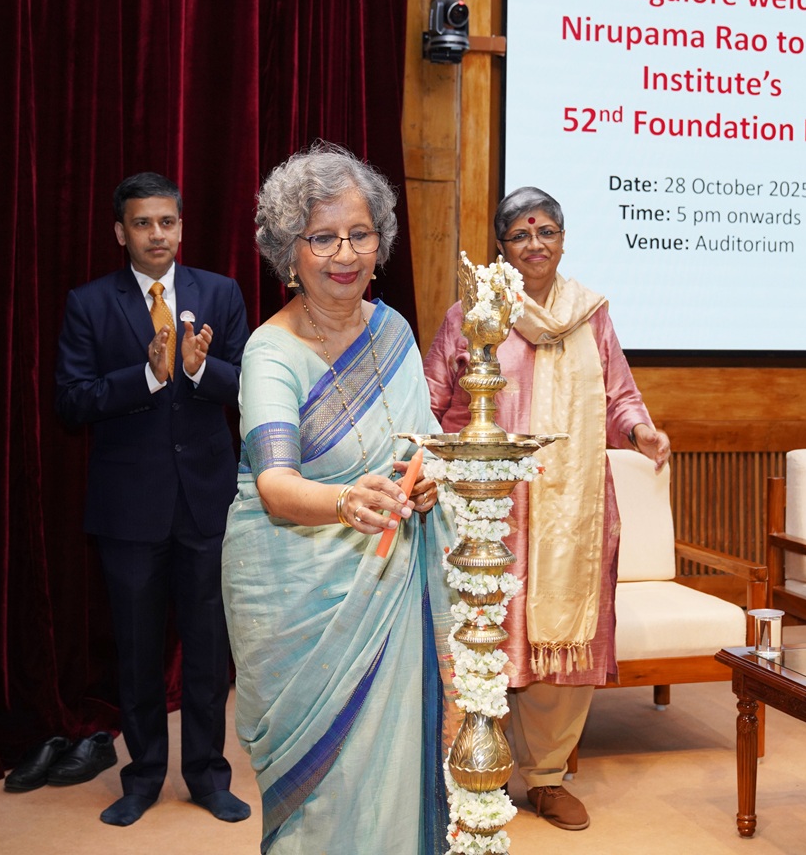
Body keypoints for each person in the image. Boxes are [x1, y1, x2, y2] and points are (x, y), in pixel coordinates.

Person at [223, 143, 451, 854]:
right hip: (303, 602)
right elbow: (276, 485)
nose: (343, 253)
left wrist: (432, 472)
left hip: (395, 591)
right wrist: (347, 502)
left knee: (398, 773)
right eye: (322, 237)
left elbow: (426, 439)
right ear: (289, 254)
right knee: (331, 797)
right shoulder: (271, 352)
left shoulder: (396, 333)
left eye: (359, 233)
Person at [423, 186, 670, 832]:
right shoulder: (475, 313)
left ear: (562, 239)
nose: (535, 246)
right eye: (520, 235)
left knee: (563, 647)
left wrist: (641, 430)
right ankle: (478, 764)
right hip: (488, 509)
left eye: (547, 232)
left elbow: (619, 393)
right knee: (486, 637)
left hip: (571, 509)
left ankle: (549, 777)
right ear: (501, 247)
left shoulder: (591, 315)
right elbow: (433, 396)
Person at [55, 171, 251, 827]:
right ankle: (139, 779)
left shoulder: (219, 294)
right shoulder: (89, 304)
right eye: (143, 223)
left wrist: (196, 369)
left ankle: (206, 775)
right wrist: (146, 375)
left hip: (204, 503)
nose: (157, 233)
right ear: (121, 233)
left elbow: (247, 386)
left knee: (206, 651)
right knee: (137, 655)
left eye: (167, 221)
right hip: (128, 510)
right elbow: (72, 401)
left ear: (181, 227)